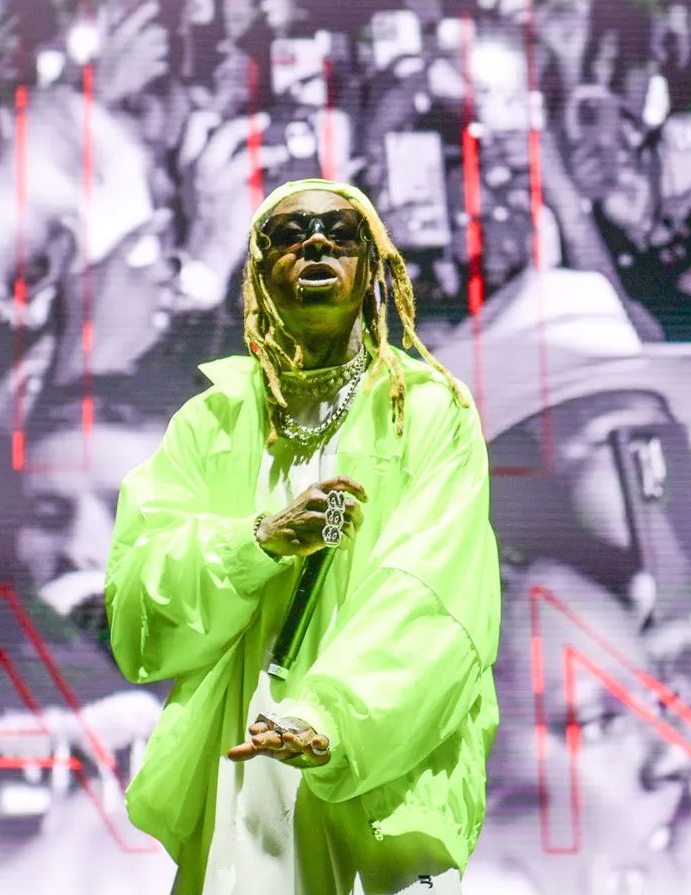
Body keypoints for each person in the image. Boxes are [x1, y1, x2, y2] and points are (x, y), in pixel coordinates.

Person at [104, 178, 501, 894]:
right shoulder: (210, 423)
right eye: (290, 234)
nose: (315, 241)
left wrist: (332, 720)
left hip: (370, 762)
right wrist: (256, 541)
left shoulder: (429, 410)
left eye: (338, 232)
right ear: (258, 274)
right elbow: (139, 603)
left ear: (372, 268)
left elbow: (435, 592)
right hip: (243, 757)